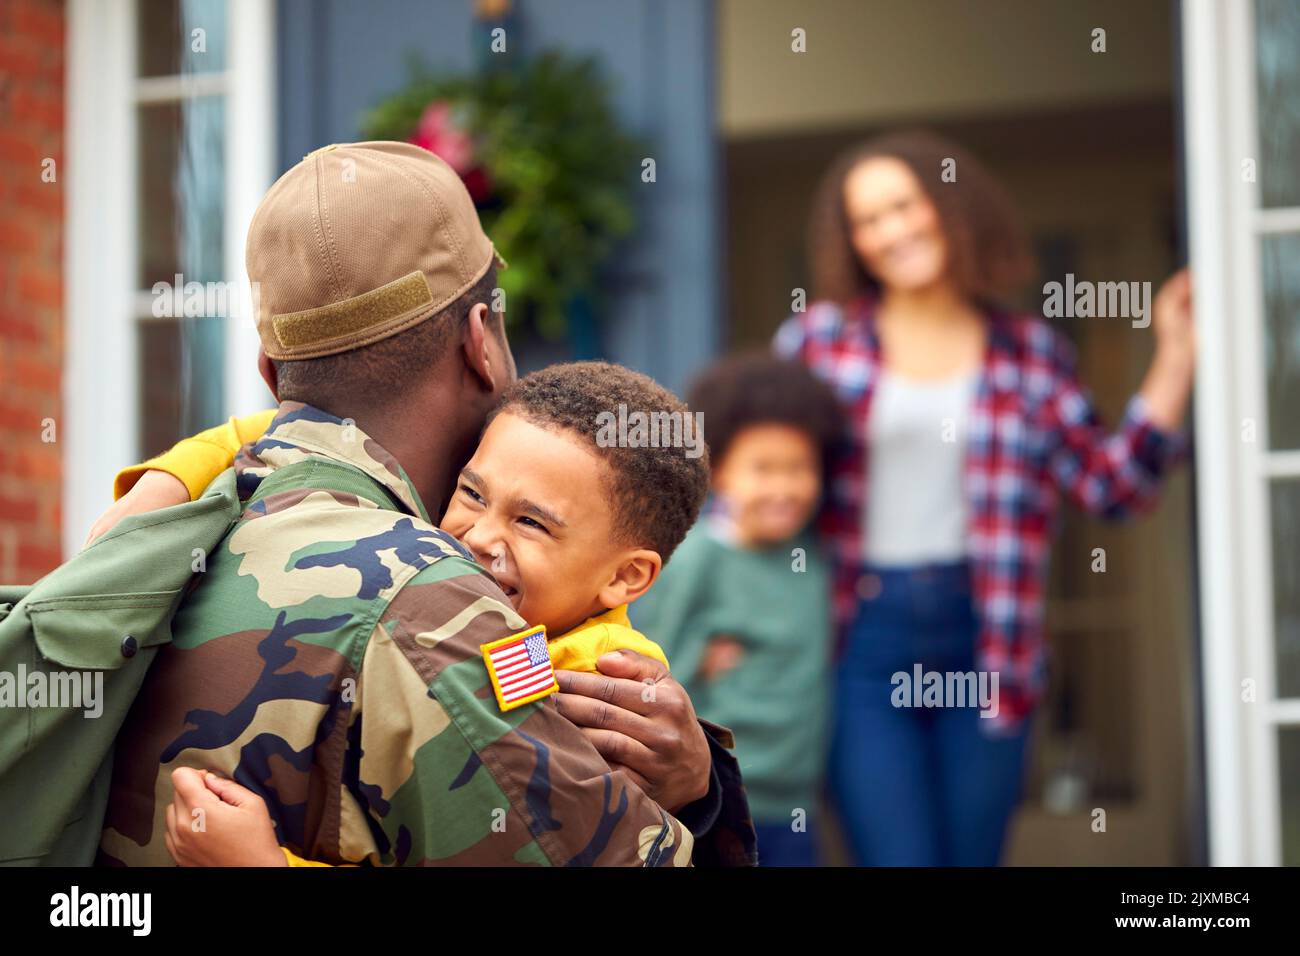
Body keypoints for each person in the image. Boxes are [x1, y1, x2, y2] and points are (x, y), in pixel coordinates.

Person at [94, 140, 755, 867]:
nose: (481, 537)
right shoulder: (438, 606)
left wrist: (166, 478)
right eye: (476, 493)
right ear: (481, 342)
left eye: (532, 520)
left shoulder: (182, 527)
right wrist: (704, 799)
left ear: (270, 372)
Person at [776, 129, 1195, 866]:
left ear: (949, 205)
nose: (889, 231)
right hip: (860, 639)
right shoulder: (817, 343)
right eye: (866, 221)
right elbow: (756, 489)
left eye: (903, 206)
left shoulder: (1029, 352)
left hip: (987, 636)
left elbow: (1114, 486)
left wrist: (1174, 360)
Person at [631, 354, 842, 867]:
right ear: (720, 470)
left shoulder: (814, 560)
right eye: (763, 469)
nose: (784, 488)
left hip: (797, 804)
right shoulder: (698, 558)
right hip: (717, 804)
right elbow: (653, 669)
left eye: (798, 469)